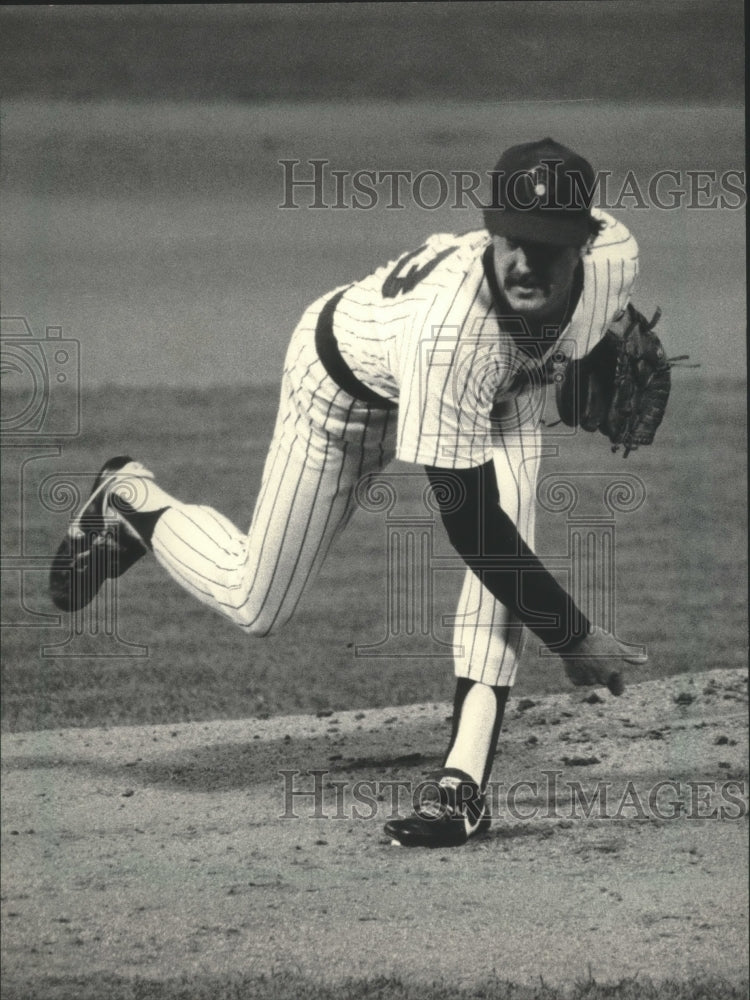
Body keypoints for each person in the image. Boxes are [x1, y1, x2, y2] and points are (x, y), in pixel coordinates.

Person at [50, 138, 648, 849]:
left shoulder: (616, 257)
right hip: (344, 394)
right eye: (513, 241)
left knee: (508, 561)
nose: (524, 262)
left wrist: (599, 348)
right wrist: (573, 636)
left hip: (498, 396)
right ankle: (133, 502)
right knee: (256, 603)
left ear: (586, 242)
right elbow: (472, 527)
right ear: (492, 229)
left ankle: (460, 788)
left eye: (548, 246)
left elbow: (602, 322)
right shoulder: (449, 332)